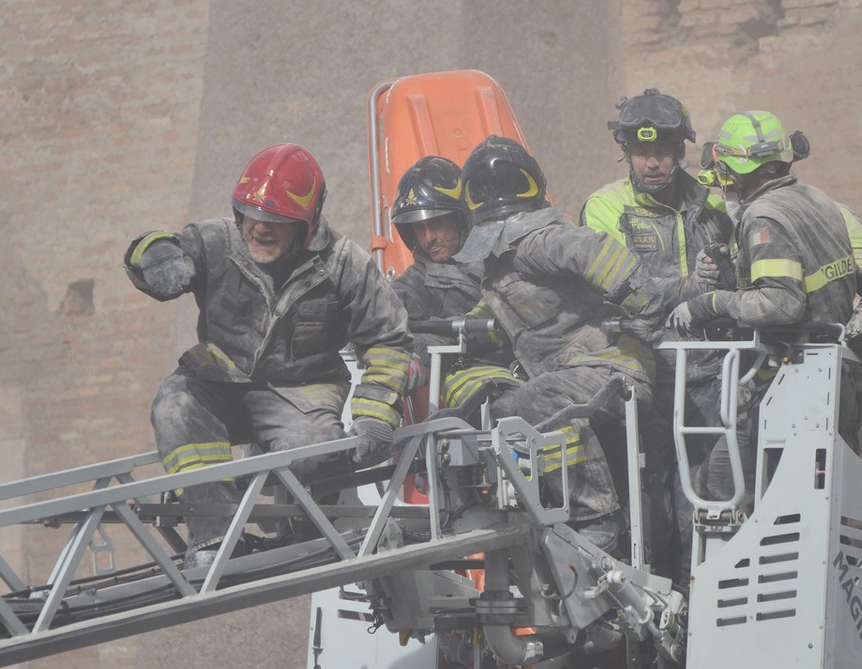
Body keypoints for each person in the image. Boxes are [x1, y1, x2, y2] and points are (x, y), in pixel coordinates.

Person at [124, 143, 413, 566]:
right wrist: (154, 258)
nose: (259, 229)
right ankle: (213, 538)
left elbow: (388, 339)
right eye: (251, 215)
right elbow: (152, 248)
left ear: (307, 224)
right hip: (220, 381)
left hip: (302, 390)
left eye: (276, 220)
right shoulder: (214, 241)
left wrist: (375, 415)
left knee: (318, 452)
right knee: (175, 405)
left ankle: (310, 526)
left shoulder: (343, 264)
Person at [670, 111, 862, 500]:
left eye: (724, 173)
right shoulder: (826, 205)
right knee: (817, 499)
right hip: (830, 385)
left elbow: (780, 304)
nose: (722, 185)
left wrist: (710, 301)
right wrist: (724, 271)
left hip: (789, 385)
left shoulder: (767, 217)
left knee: (730, 490)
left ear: (736, 170)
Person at [454, 135, 670, 553]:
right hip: (576, 376)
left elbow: (597, 250)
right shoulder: (502, 260)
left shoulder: (538, 240)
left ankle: (596, 516)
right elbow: (512, 310)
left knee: (537, 401)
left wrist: (644, 303)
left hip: (614, 369)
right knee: (503, 409)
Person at [580, 88, 735, 587]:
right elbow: (619, 292)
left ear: (680, 152)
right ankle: (654, 600)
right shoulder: (605, 207)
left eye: (662, 152)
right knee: (646, 495)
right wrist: (689, 287)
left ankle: (701, 596)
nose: (652, 163)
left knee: (710, 493)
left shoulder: (713, 206)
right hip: (641, 372)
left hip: (710, 373)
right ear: (626, 152)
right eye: (641, 153)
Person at [388, 156, 521, 415]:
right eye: (419, 227)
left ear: (461, 217)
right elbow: (382, 319)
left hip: (534, 362)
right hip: (475, 376)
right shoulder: (414, 285)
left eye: (437, 222)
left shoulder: (502, 256)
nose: (429, 237)